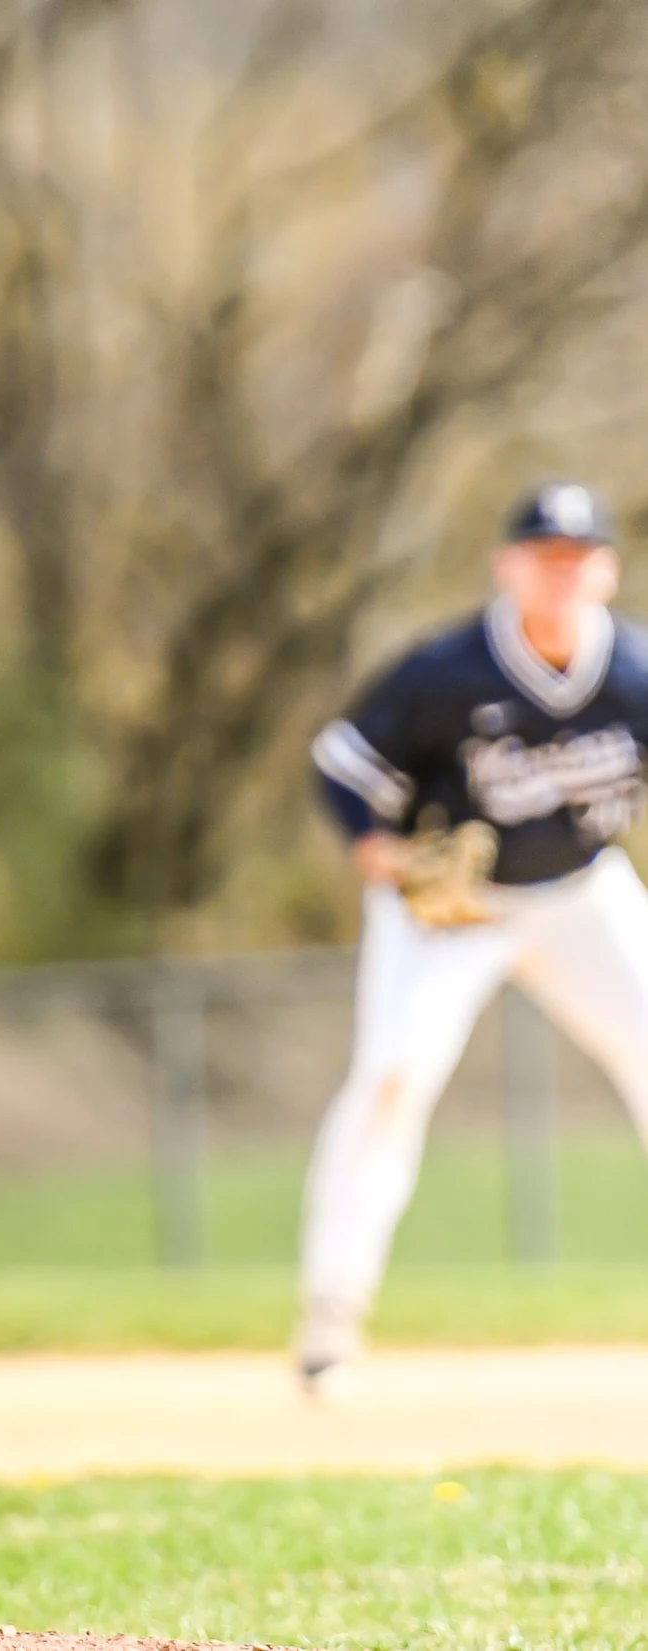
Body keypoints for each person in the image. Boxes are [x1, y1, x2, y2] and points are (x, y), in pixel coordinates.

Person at [298, 480, 648, 1388]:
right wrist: (374, 849)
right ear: (507, 568)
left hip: (582, 894)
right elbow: (343, 767)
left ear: (607, 572)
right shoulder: (444, 674)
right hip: (452, 912)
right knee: (391, 1080)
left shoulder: (636, 679)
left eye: (577, 560)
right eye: (543, 558)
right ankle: (332, 1312)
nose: (560, 575)